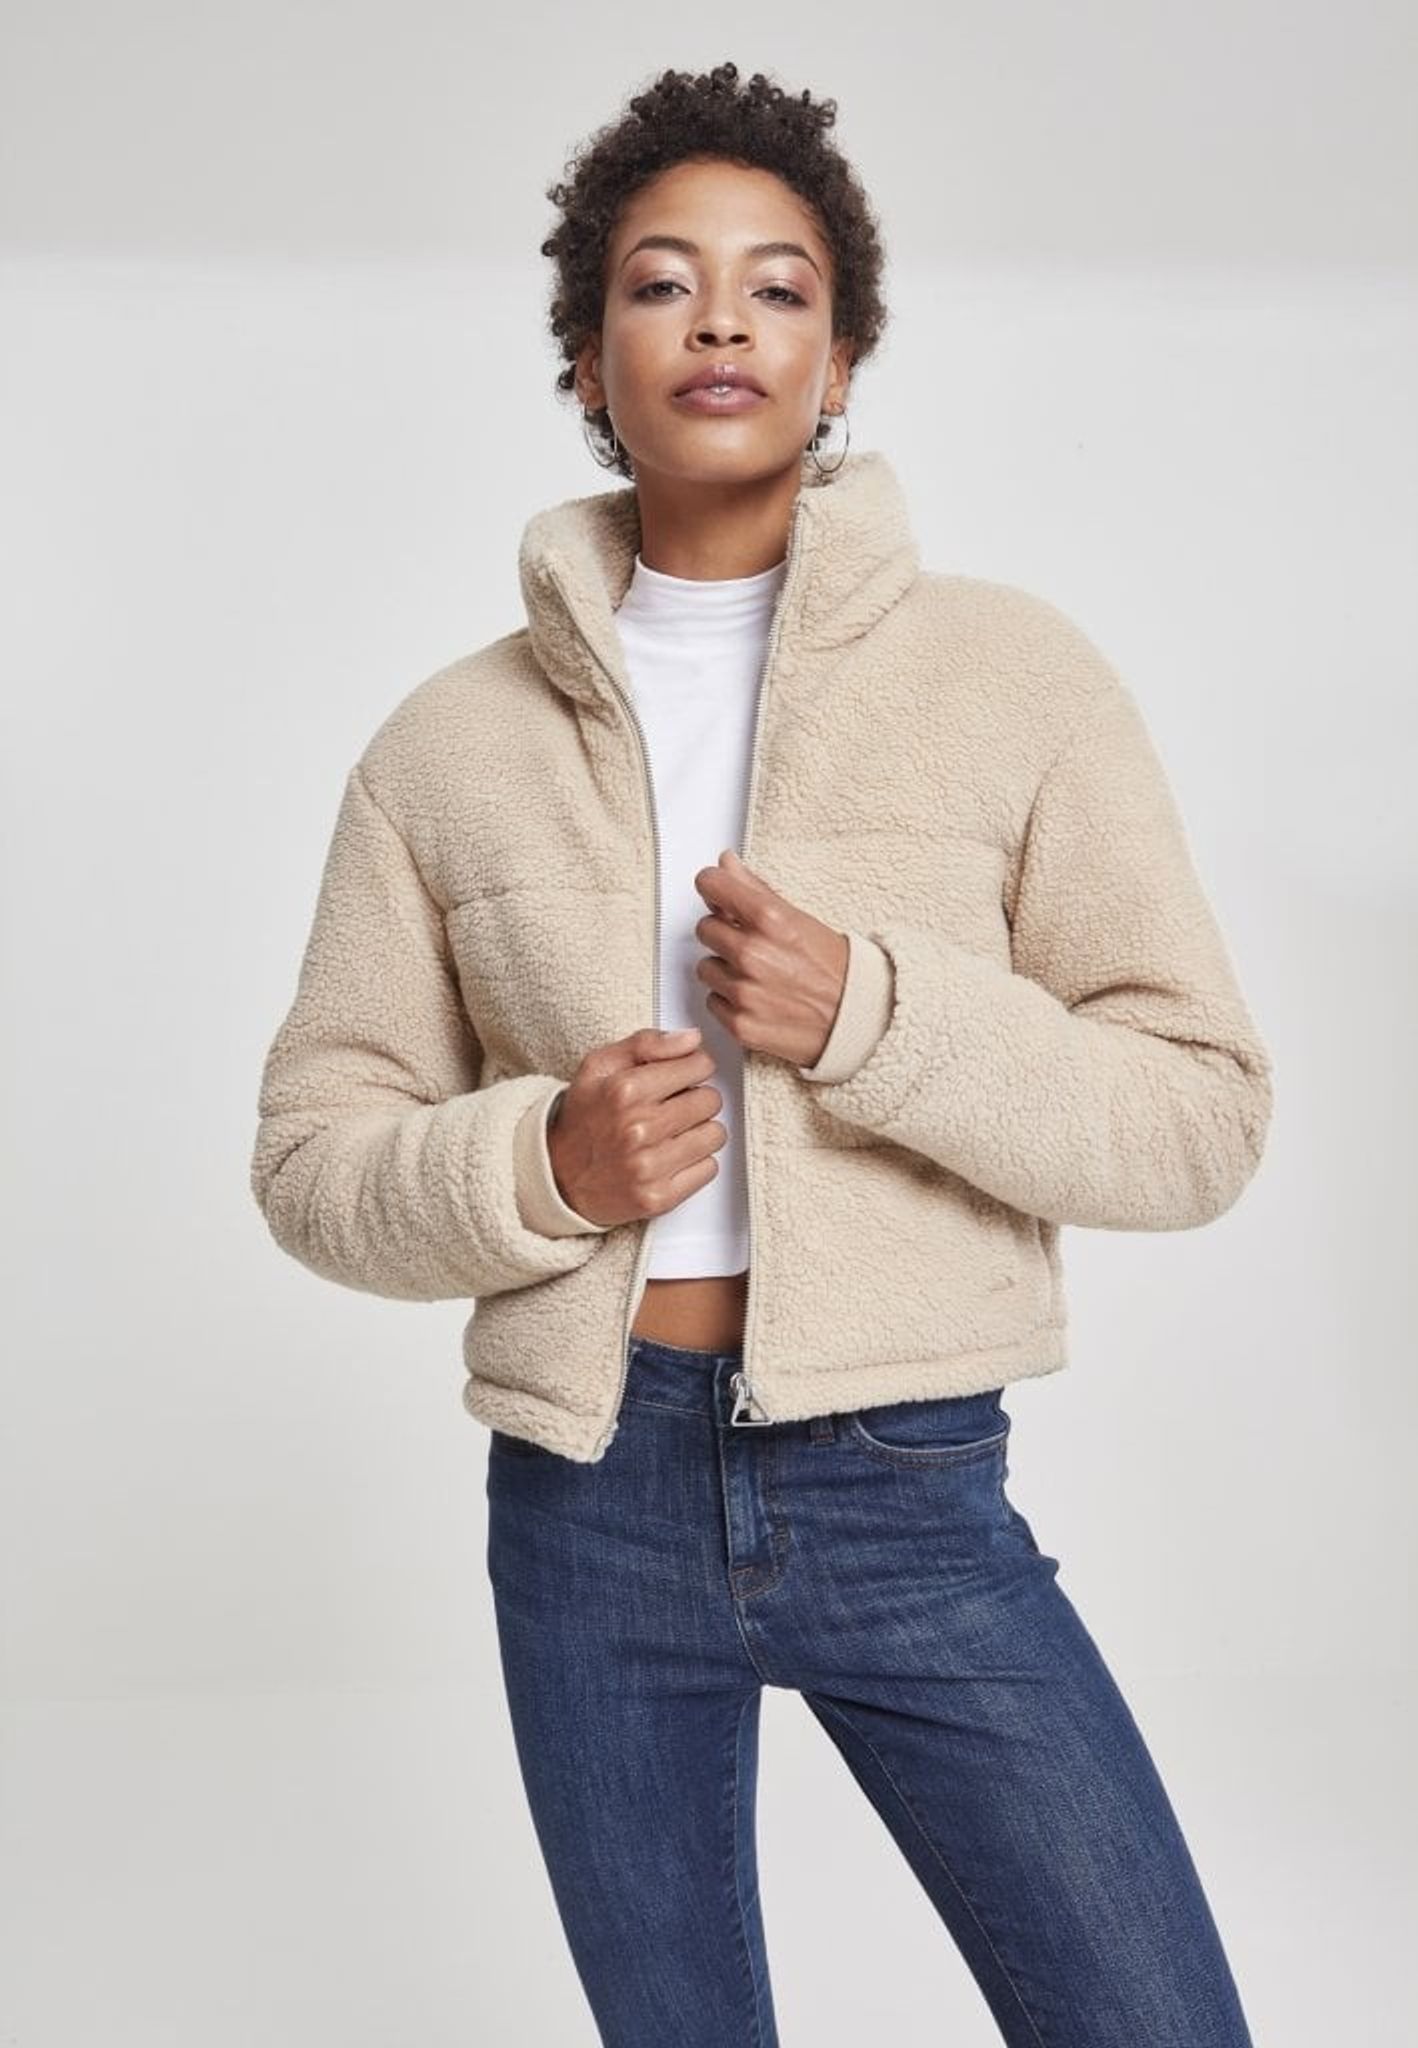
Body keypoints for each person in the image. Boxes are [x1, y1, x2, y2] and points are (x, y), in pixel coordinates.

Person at [252, 60, 1271, 2048]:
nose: (719, 321)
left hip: (905, 1473)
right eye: (661, 282)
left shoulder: (1015, 681)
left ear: (840, 357)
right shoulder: (446, 747)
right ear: (584, 357)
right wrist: (538, 1163)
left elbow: (1201, 1115)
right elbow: (311, 1156)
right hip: (586, 1493)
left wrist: (875, 1017)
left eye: (776, 287)